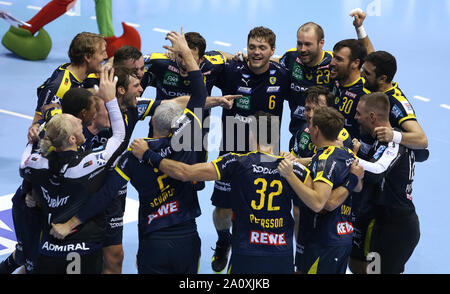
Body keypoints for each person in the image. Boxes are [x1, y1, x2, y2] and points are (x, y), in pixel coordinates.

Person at [50, 28, 208, 274]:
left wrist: (71, 222)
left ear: (152, 123)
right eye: (137, 83)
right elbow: (199, 92)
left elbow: (106, 194)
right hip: (187, 236)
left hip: (153, 240)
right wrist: (186, 53)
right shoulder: (185, 138)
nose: (142, 88)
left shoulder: (132, 157)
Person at [18, 66, 125, 274]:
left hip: (50, 249)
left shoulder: (37, 163)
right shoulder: (83, 166)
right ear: (73, 139)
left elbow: (25, 162)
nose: (79, 121)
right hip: (84, 247)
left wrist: (34, 137)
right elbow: (119, 137)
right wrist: (111, 100)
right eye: (76, 124)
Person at [208, 26, 291, 273]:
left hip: (267, 145)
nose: (256, 52)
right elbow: (207, 56)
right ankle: (224, 240)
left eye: (262, 48)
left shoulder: (283, 74)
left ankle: (257, 249)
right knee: (223, 208)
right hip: (233, 142)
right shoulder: (232, 70)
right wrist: (229, 55)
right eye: (252, 47)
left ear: (272, 50)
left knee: (261, 207)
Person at [278, 106, 363, 274]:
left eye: (311, 127)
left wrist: (290, 175)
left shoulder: (325, 160)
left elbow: (319, 202)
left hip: (325, 240)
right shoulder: (346, 153)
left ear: (316, 130)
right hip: (341, 236)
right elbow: (358, 186)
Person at [278, 9, 374, 149]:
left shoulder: (333, 63)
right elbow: (268, 62)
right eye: (300, 43)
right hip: (300, 137)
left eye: (308, 44)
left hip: (328, 139)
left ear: (321, 42)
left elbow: (370, 62)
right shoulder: (291, 58)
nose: (302, 49)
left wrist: (359, 28)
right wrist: (240, 58)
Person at [351, 92, 420, 274]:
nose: (355, 117)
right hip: (382, 223)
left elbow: (377, 172)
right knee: (373, 271)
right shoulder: (383, 141)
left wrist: (345, 156)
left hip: (397, 227)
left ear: (372, 117)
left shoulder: (392, 142)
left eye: (358, 113)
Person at [30, 31, 107, 132]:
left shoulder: (80, 71)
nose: (106, 56)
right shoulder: (61, 87)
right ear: (87, 57)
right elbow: (39, 122)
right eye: (102, 53)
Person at [291, 85, 353, 159]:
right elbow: (294, 156)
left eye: (317, 110)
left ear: (329, 110)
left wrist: (295, 162)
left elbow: (325, 163)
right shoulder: (302, 130)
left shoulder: (340, 137)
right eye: (308, 109)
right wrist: (287, 157)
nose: (311, 115)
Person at [330, 39, 371, 140]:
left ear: (356, 63)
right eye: (333, 57)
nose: (332, 63)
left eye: (338, 59)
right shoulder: (335, 79)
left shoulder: (365, 94)